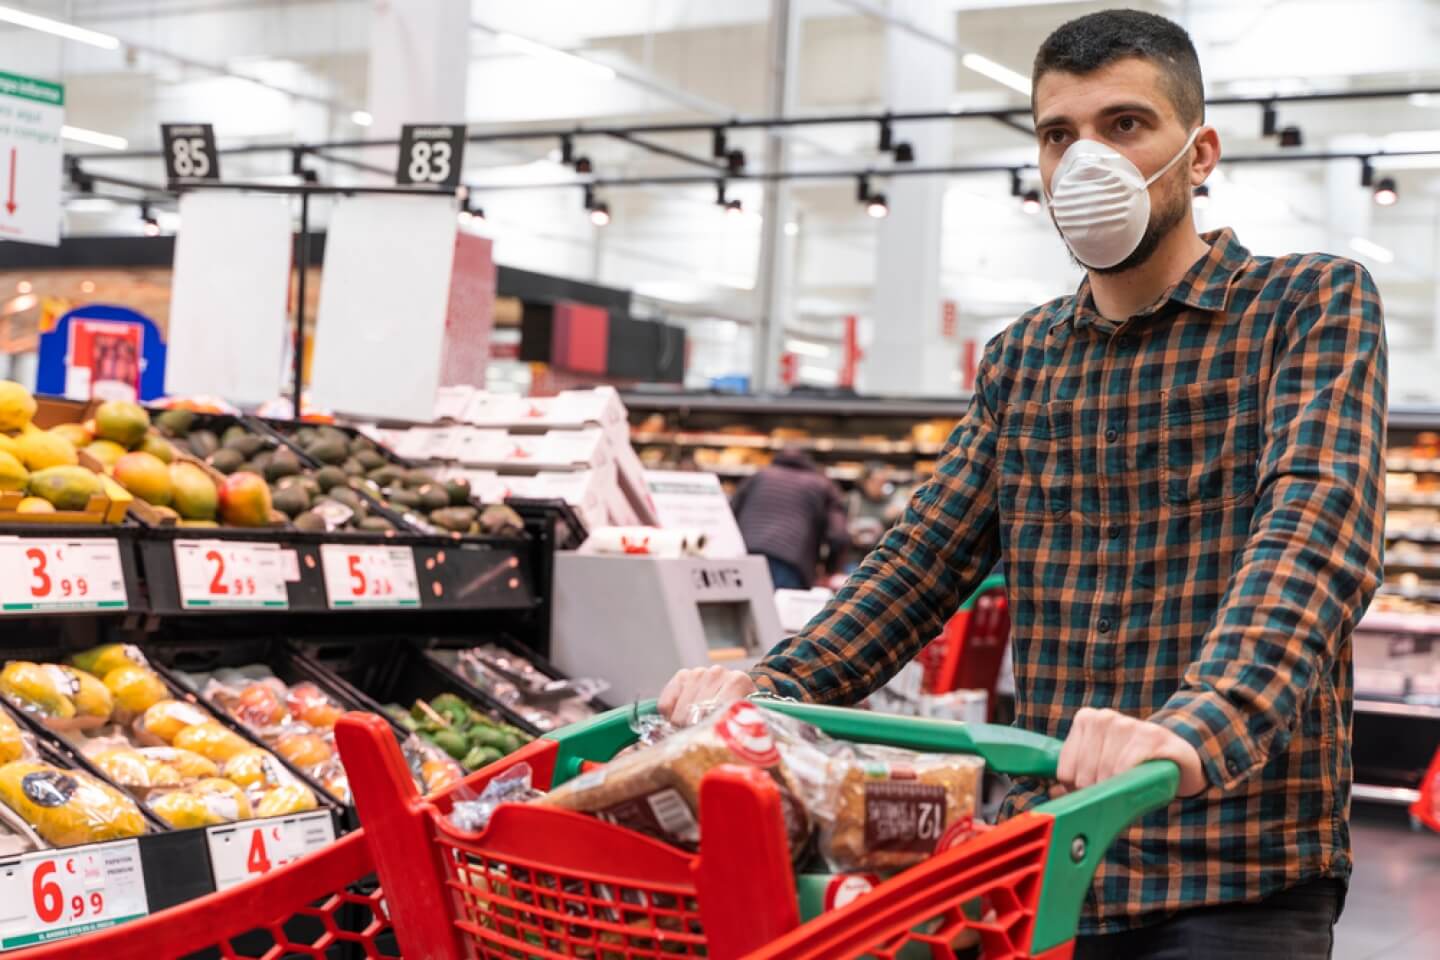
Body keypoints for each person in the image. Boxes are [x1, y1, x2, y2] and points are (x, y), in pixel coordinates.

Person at [660, 10, 1385, 958]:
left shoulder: (1310, 303)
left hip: (1234, 867)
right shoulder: (1024, 361)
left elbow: (1316, 531)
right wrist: (765, 684)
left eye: (1124, 126)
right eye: (1058, 134)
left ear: (1199, 153)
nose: (1086, 159)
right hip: (1048, 867)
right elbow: (917, 563)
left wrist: (1196, 730)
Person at [731, 445, 848, 590]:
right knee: (780, 611)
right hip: (790, 562)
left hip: (745, 555)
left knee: (745, 609)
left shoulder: (759, 476)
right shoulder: (823, 484)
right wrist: (830, 570)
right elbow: (839, 535)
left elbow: (730, 513)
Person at [846, 461, 903, 554]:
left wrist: (895, 517)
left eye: (883, 481)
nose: (880, 485)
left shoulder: (893, 503)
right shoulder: (852, 501)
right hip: (853, 559)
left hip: (879, 558)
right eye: (876, 481)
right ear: (865, 481)